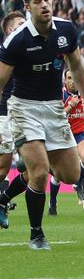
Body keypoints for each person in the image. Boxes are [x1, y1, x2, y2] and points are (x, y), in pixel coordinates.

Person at [0, 0, 84, 250]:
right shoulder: (16, 40)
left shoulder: (65, 30)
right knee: (40, 173)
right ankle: (36, 234)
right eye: (38, 2)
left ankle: (16, 181)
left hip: (54, 108)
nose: (45, 5)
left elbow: (76, 66)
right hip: (24, 108)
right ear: (27, 8)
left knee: (70, 174)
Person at [57, 69, 84, 215]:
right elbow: (56, 116)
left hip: (79, 134)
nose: (72, 81)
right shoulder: (59, 94)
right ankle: (53, 203)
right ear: (65, 80)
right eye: (69, 78)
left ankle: (78, 183)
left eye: (75, 78)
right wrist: (70, 106)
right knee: (57, 175)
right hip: (63, 135)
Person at [0, 12, 25, 214]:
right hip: (4, 116)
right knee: (3, 168)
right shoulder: (2, 53)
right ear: (10, 30)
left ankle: (4, 200)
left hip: (25, 115)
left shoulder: (29, 51)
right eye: (21, 24)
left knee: (33, 169)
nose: (26, 26)